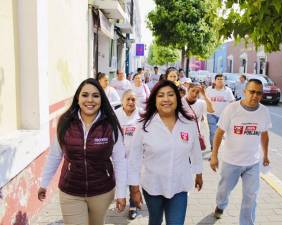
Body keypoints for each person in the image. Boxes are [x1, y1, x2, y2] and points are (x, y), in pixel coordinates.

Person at [38, 78, 127, 225]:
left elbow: (120, 161)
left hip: (102, 191)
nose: (90, 100)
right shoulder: (65, 122)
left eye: (95, 95)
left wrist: (122, 193)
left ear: (102, 99)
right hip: (71, 191)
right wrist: (44, 182)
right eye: (85, 95)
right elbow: (55, 155)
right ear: (77, 98)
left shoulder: (110, 124)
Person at [128, 80, 203, 225]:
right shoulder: (143, 125)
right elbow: (134, 158)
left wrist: (198, 173)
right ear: (155, 100)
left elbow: (195, 150)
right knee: (155, 220)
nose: (166, 99)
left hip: (180, 186)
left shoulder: (188, 123)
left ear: (177, 98)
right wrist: (134, 188)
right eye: (161, 95)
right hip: (153, 186)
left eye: (170, 95)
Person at [210, 79, 272, 225]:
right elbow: (219, 133)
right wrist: (214, 156)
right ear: (245, 91)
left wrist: (266, 155)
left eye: (259, 93)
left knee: (251, 197)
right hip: (231, 161)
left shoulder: (264, 111)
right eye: (252, 91)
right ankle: (221, 205)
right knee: (224, 191)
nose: (255, 96)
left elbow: (264, 135)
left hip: (253, 162)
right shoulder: (232, 109)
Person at [115, 90, 141, 220]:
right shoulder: (115, 115)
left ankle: (133, 206)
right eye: (128, 99)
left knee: (134, 181)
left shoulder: (141, 115)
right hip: (119, 155)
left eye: (133, 99)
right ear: (122, 101)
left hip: (136, 155)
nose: (131, 102)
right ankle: (120, 199)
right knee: (121, 178)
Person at [181, 83, 214, 151]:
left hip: (195, 135)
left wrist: (204, 95)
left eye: (197, 92)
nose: (194, 94)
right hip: (181, 135)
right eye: (192, 91)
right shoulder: (180, 102)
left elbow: (211, 110)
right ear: (188, 90)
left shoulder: (201, 103)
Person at [206, 74, 235, 150]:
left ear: (224, 81)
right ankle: (213, 148)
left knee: (220, 133)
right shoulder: (209, 89)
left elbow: (232, 102)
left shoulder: (227, 90)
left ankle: (219, 142)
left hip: (223, 116)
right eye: (218, 79)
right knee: (213, 132)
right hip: (211, 114)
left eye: (221, 79)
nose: (220, 80)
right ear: (215, 81)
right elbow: (204, 101)